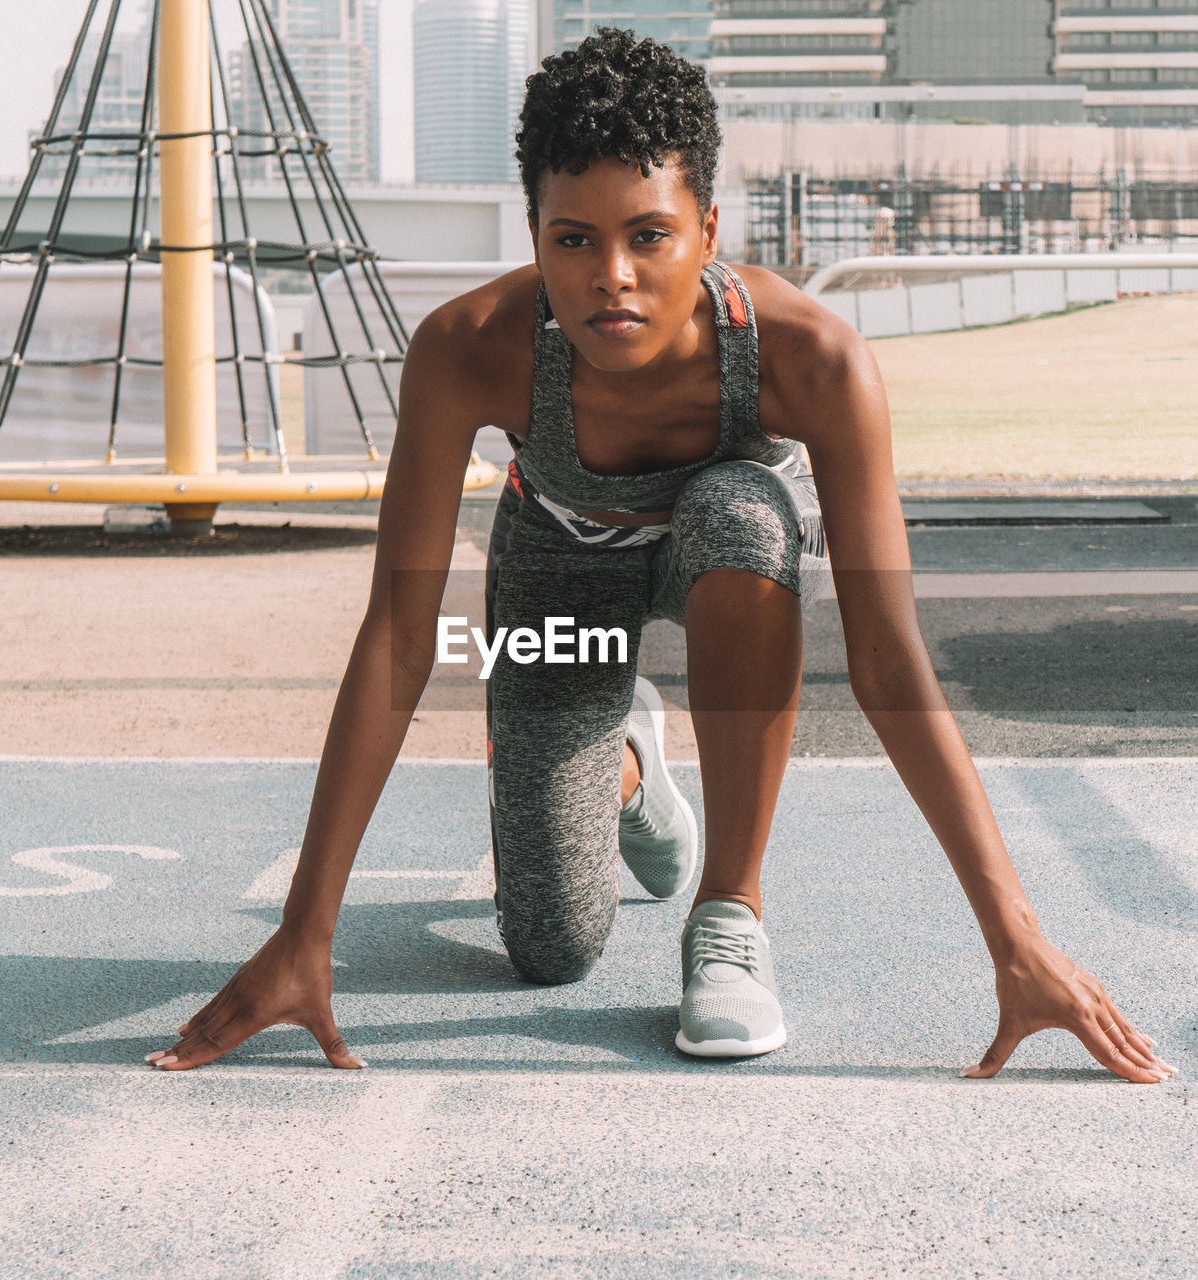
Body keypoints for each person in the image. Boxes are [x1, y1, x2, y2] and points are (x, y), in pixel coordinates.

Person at [147, 28, 1171, 1081]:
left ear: (708, 229)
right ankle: (627, 763)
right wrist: (307, 928)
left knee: (742, 513)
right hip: (559, 564)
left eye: (649, 236)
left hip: (720, 552)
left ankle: (729, 909)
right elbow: (404, 635)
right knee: (549, 946)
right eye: (574, 240)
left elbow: (888, 656)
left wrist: (1015, 937)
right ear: (537, 236)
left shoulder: (813, 359)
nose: (612, 278)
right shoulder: (468, 348)